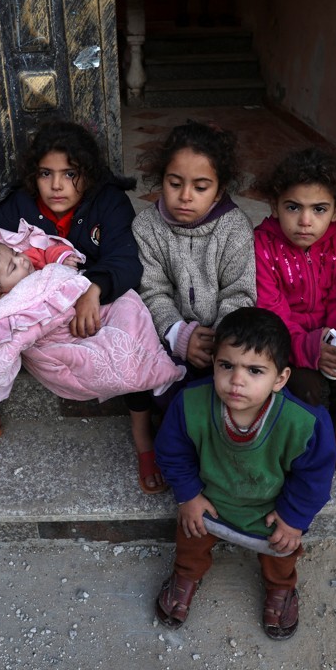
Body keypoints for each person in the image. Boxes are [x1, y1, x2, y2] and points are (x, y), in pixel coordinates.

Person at [0, 121, 144, 474]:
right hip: (31, 308)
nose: (56, 186)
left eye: (70, 174)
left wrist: (93, 289)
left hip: (93, 298)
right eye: (45, 174)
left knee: (139, 335)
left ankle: (143, 433)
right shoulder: (16, 206)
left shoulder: (109, 202)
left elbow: (125, 259)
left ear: (89, 174)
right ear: (32, 176)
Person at [153, 307, 336, 640]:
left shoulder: (305, 423)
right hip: (209, 500)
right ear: (214, 363)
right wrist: (189, 495)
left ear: (280, 378)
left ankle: (281, 588)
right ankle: (186, 574)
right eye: (226, 366)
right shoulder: (191, 402)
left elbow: (315, 477)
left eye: (255, 370)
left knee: (282, 551)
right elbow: (171, 451)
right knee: (190, 535)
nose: (237, 380)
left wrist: (293, 517)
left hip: (270, 510)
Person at [0, 224, 183, 432]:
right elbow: (13, 341)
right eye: (13, 267)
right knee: (98, 358)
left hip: (86, 308)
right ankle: (156, 372)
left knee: (126, 301)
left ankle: (152, 360)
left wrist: (62, 257)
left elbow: (48, 251)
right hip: (60, 340)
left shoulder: (29, 265)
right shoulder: (13, 309)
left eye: (15, 254)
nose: (22, 259)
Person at [132, 121, 255, 492]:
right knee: (144, 369)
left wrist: (220, 342)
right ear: (161, 178)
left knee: (224, 392)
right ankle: (158, 446)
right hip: (168, 337)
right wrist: (178, 334)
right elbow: (150, 290)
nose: (186, 196)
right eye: (175, 183)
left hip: (221, 342)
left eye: (200, 187)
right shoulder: (146, 226)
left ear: (219, 189)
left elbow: (241, 292)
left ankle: (217, 456)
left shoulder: (234, 228)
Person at [253, 147, 336, 479]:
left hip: (330, 334)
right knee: (303, 384)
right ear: (274, 206)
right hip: (287, 342)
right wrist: (309, 349)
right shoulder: (261, 247)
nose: (305, 221)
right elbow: (271, 313)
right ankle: (306, 436)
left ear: (335, 212)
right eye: (293, 207)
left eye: (319, 209)